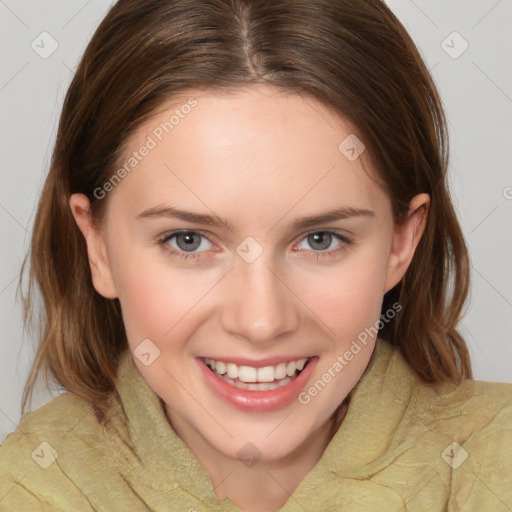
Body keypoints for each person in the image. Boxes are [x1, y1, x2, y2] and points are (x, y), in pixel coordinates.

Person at [1, 0, 511, 510]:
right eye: (188, 240)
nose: (261, 322)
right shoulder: (28, 485)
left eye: (320, 239)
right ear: (99, 247)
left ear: (402, 241)